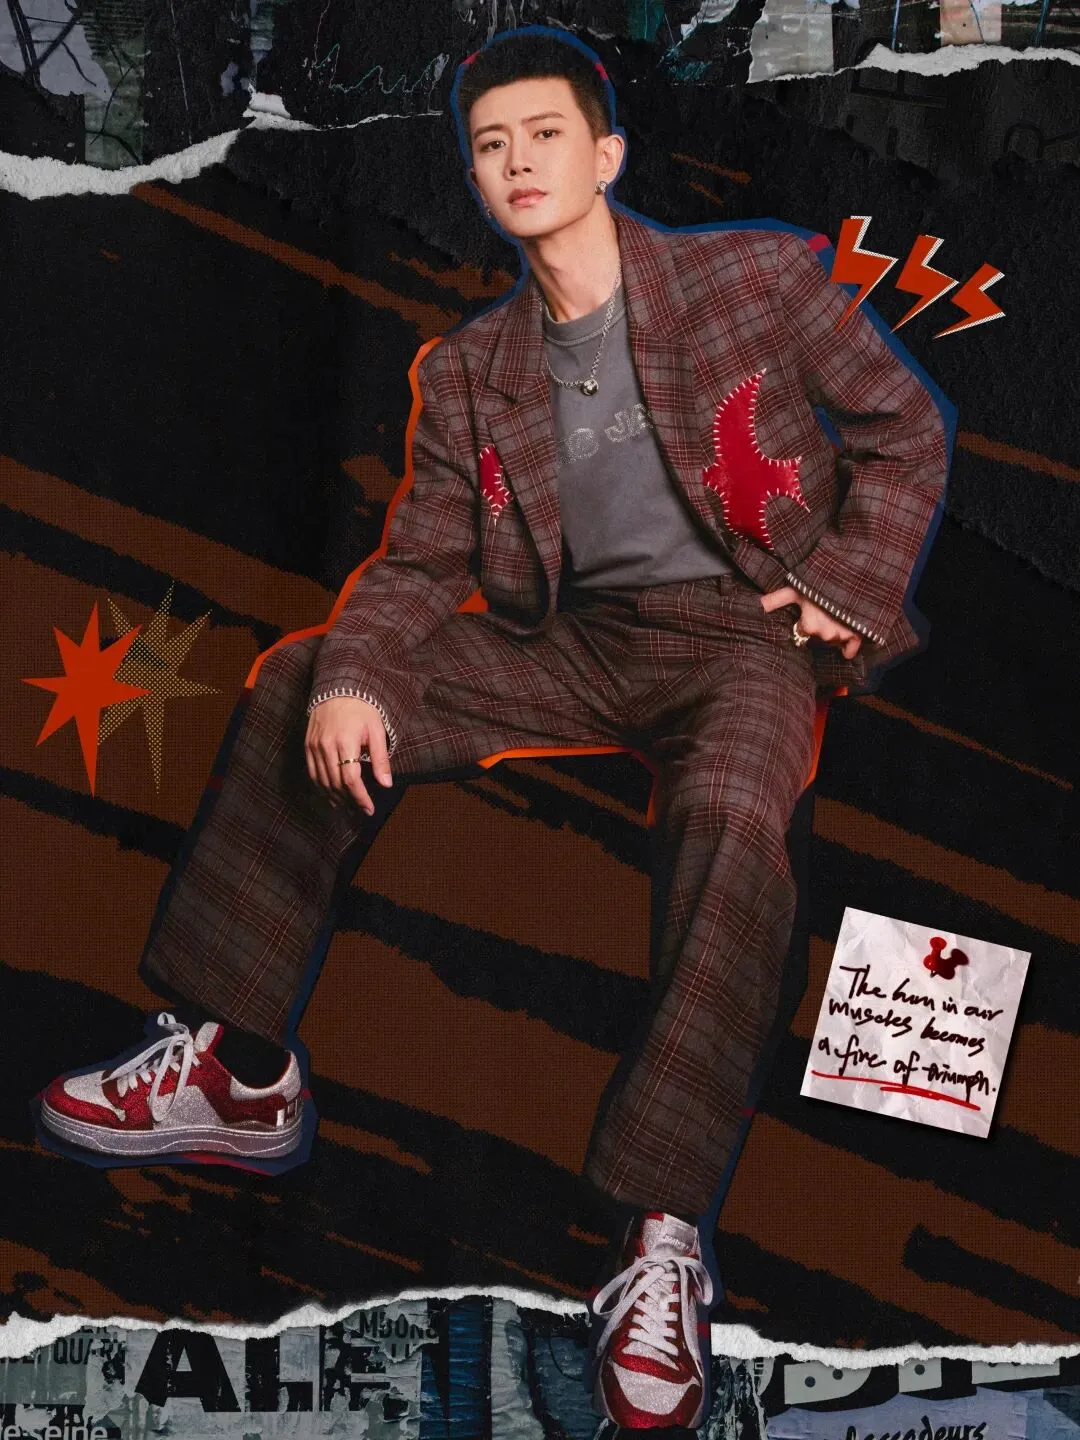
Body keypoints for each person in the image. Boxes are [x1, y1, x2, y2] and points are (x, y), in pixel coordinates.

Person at [39, 26, 949, 1429]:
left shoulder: (752, 279)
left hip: (745, 642)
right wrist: (358, 675)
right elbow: (417, 564)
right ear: (473, 176)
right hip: (573, 646)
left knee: (730, 819)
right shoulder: (469, 370)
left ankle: (660, 1238)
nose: (517, 162)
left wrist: (843, 585)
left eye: (544, 135)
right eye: (489, 145)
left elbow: (904, 429)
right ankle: (237, 1069)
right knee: (300, 680)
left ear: (608, 153)